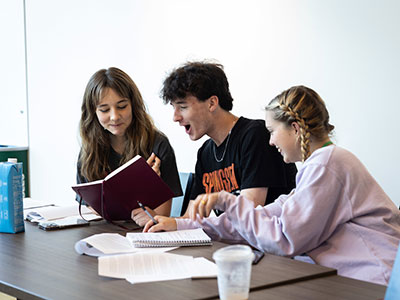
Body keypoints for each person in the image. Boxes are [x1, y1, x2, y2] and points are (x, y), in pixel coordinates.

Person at [145, 85, 400, 285]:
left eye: (272, 131)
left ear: (295, 129)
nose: (270, 142)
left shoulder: (327, 166)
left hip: (374, 280)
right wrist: (182, 224)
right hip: (355, 277)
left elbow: (283, 239)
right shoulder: (319, 167)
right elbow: (264, 216)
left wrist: (227, 201)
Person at [160, 61, 297, 216]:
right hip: (234, 239)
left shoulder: (255, 135)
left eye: (183, 107)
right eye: (174, 108)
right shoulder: (205, 153)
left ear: (212, 103)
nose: (175, 117)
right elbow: (192, 217)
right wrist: (162, 223)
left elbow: (248, 212)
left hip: (267, 238)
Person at [76, 67, 182, 226]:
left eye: (122, 106)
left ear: (133, 104)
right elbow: (89, 209)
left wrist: (151, 186)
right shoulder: (90, 150)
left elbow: (162, 216)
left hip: (145, 235)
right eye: (104, 110)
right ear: (93, 112)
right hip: (103, 234)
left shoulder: (157, 145)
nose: (114, 116)